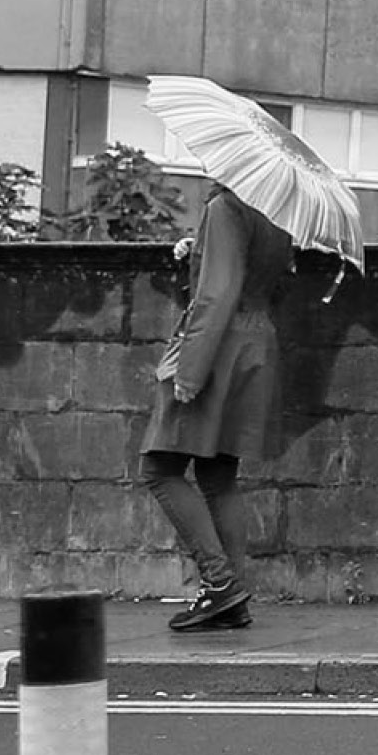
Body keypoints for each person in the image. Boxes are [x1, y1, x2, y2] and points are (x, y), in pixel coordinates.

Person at [142, 189, 308, 632]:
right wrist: (196, 252)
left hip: (219, 347)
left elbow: (216, 294)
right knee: (217, 474)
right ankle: (231, 596)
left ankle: (219, 583)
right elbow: (260, 275)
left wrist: (189, 373)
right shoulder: (276, 209)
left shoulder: (225, 206)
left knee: (160, 467)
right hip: (256, 344)